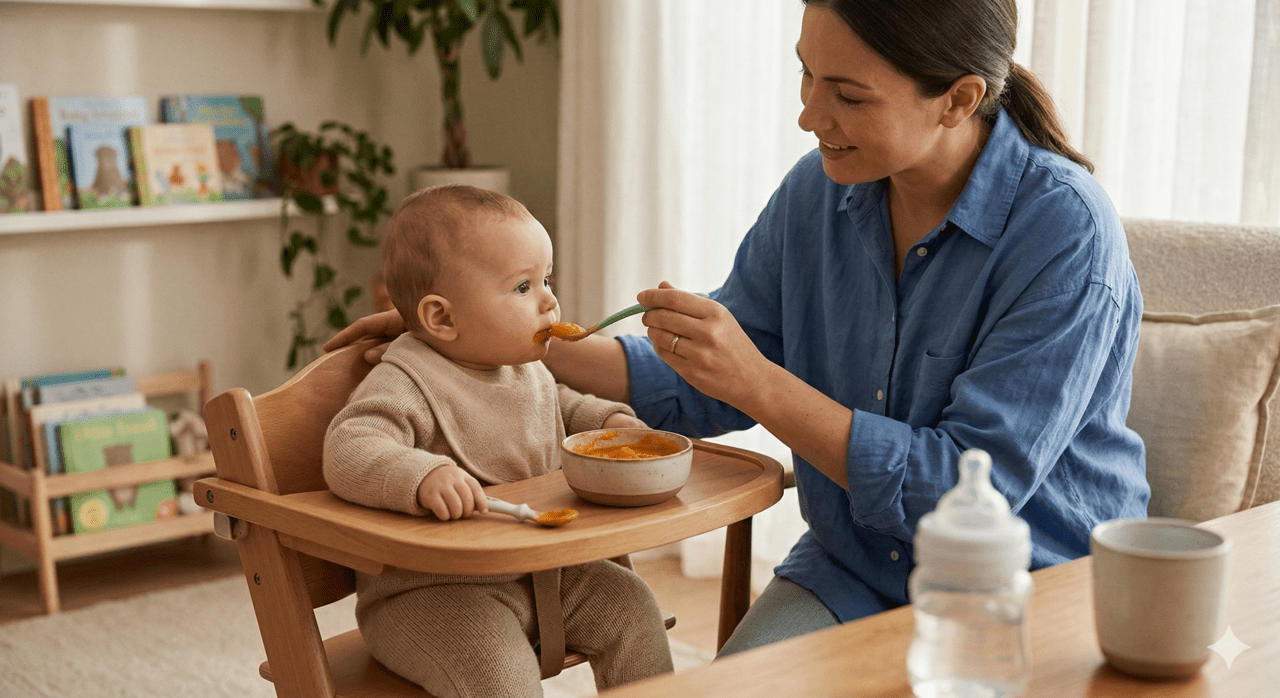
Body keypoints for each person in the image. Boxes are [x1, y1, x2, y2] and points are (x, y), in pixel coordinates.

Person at [326, 0, 1150, 658]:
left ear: (959, 98)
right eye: (806, 75)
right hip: (851, 571)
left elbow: (971, 492)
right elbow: (695, 380)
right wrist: (488, 334)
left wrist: (758, 381)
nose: (808, 116)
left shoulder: (1065, 232)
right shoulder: (816, 194)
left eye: (847, 95)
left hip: (1025, 588)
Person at [323, 184, 673, 697]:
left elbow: (562, 410)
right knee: (499, 675)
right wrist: (422, 475)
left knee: (633, 607)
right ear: (441, 317)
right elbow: (349, 446)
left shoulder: (521, 367)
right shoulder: (407, 378)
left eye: (546, 279)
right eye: (523, 287)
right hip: (432, 596)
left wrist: (613, 424)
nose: (550, 300)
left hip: (543, 575)